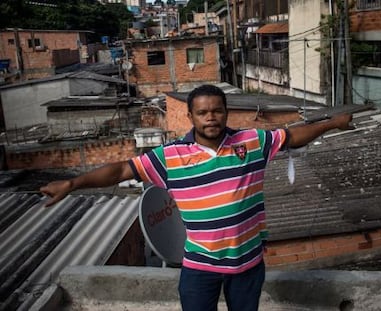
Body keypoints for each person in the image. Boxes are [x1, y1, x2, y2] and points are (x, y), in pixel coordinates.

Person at [40, 84, 353, 311]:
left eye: (217, 110)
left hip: (247, 264)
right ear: (190, 116)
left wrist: (333, 123)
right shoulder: (170, 157)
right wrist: (71, 184)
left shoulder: (252, 142)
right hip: (200, 265)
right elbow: (121, 170)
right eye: (202, 112)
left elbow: (292, 136)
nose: (211, 117)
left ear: (226, 112)